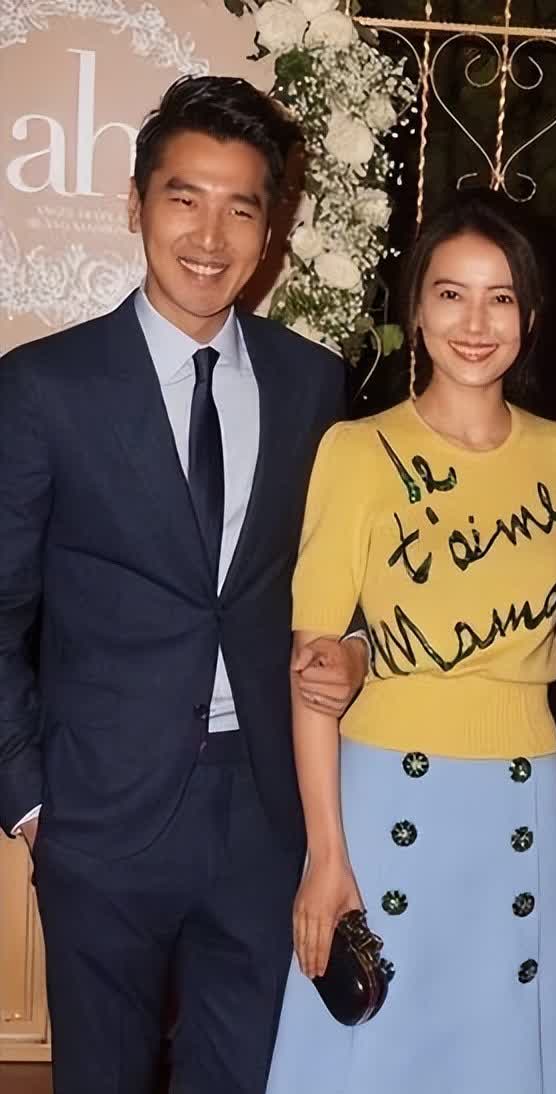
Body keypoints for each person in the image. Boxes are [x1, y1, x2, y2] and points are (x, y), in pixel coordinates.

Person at [0, 76, 367, 1094]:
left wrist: (354, 649)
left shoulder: (311, 381)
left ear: (270, 230)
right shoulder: (43, 386)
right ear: (135, 204)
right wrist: (29, 799)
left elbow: (343, 582)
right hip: (99, 812)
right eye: (184, 198)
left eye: (240, 208)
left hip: (263, 808)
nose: (210, 236)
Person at [264, 190, 556, 1094]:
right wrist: (327, 857)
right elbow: (312, 671)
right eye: (450, 294)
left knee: (506, 1045)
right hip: (383, 793)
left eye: (500, 298)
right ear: (416, 308)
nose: (475, 324)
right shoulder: (357, 451)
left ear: (531, 314)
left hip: (523, 790)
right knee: (379, 1048)